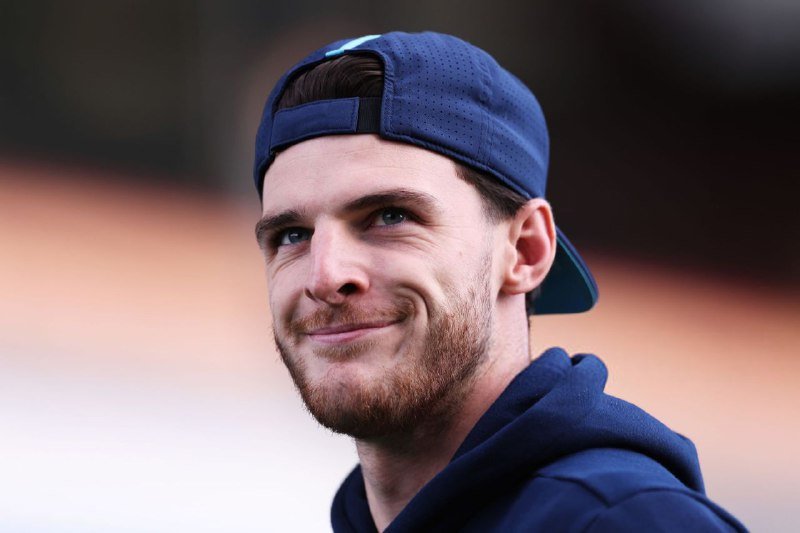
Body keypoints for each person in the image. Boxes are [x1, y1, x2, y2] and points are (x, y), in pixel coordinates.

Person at [252, 31, 746, 532]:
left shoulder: (625, 521)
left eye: (390, 216)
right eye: (292, 235)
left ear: (526, 250)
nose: (325, 276)